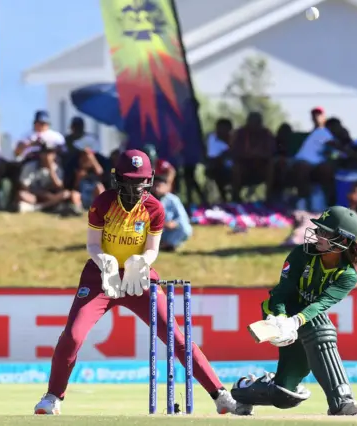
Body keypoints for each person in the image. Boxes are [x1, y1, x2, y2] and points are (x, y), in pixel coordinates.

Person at [34, 149, 245, 416]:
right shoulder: (103, 202)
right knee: (73, 336)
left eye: (141, 180)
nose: (135, 187)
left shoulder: (154, 207)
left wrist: (141, 262)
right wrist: (106, 262)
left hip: (139, 279)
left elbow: (153, 248)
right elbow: (92, 244)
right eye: (130, 180)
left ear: (150, 179)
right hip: (101, 277)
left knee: (176, 336)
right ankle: (52, 397)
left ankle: (220, 395)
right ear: (118, 179)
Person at [230, 206, 357, 416]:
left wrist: (295, 322)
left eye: (325, 232)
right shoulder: (301, 253)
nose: (318, 235)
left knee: (284, 395)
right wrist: (281, 319)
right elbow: (281, 293)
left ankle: (243, 392)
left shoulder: (347, 276)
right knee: (321, 326)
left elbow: (320, 304)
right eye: (319, 230)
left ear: (344, 240)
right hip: (278, 311)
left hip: (303, 318)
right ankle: (341, 402)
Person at [151, 175, 193, 251]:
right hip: (153, 230)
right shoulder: (149, 199)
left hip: (167, 230)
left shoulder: (173, 199)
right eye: (155, 186)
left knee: (186, 228)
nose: (157, 189)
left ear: (166, 187)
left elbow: (182, 216)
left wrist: (174, 223)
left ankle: (168, 245)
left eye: (159, 186)